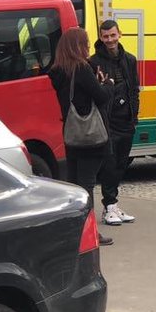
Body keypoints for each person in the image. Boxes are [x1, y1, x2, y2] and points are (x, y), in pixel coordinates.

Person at [49, 27, 115, 245]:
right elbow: (101, 97)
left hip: (72, 136)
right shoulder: (82, 69)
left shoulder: (57, 71)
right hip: (90, 139)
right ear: (77, 46)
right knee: (86, 188)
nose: (87, 47)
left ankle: (72, 231)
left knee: (74, 185)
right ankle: (88, 234)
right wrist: (108, 84)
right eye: (85, 43)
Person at [90, 20, 139, 227]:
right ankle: (109, 206)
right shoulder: (94, 63)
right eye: (105, 36)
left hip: (126, 119)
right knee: (109, 165)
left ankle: (113, 204)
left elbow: (134, 89)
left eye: (113, 35)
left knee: (121, 164)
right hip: (107, 122)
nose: (109, 40)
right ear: (101, 37)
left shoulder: (130, 60)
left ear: (120, 34)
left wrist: (134, 115)